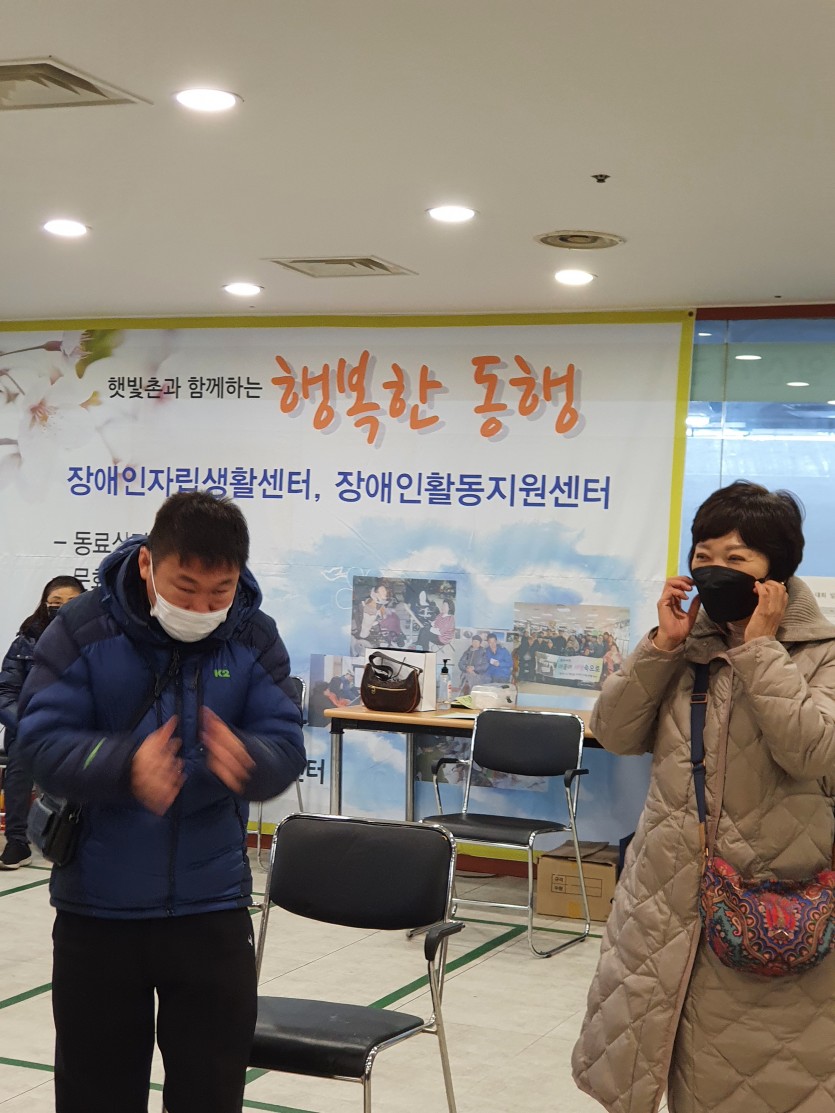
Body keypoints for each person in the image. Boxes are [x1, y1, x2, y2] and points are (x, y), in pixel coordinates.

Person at [17, 492, 305, 1113]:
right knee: (96, 1093)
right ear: (148, 564)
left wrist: (251, 759)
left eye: (219, 591)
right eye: (186, 588)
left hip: (212, 909)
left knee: (211, 1092)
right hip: (99, 910)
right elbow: (38, 741)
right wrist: (125, 765)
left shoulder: (252, 636)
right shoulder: (83, 629)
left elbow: (286, 743)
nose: (202, 608)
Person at [572, 481, 835, 1113]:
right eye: (703, 555)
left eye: (736, 559)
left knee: (757, 1081)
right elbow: (613, 733)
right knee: (656, 1058)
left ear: (776, 574)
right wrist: (662, 645)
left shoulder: (822, 654)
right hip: (665, 896)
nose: (715, 570)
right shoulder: (683, 646)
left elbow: (811, 751)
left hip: (769, 906)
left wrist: (761, 649)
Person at [0, 576, 85, 869]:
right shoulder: (26, 641)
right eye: (55, 603)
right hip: (32, 727)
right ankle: (17, 841)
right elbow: (5, 692)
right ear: (44, 605)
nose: (62, 609)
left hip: (79, 726)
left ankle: (76, 837)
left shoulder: (101, 638)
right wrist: (27, 725)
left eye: (72, 602)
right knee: (20, 758)